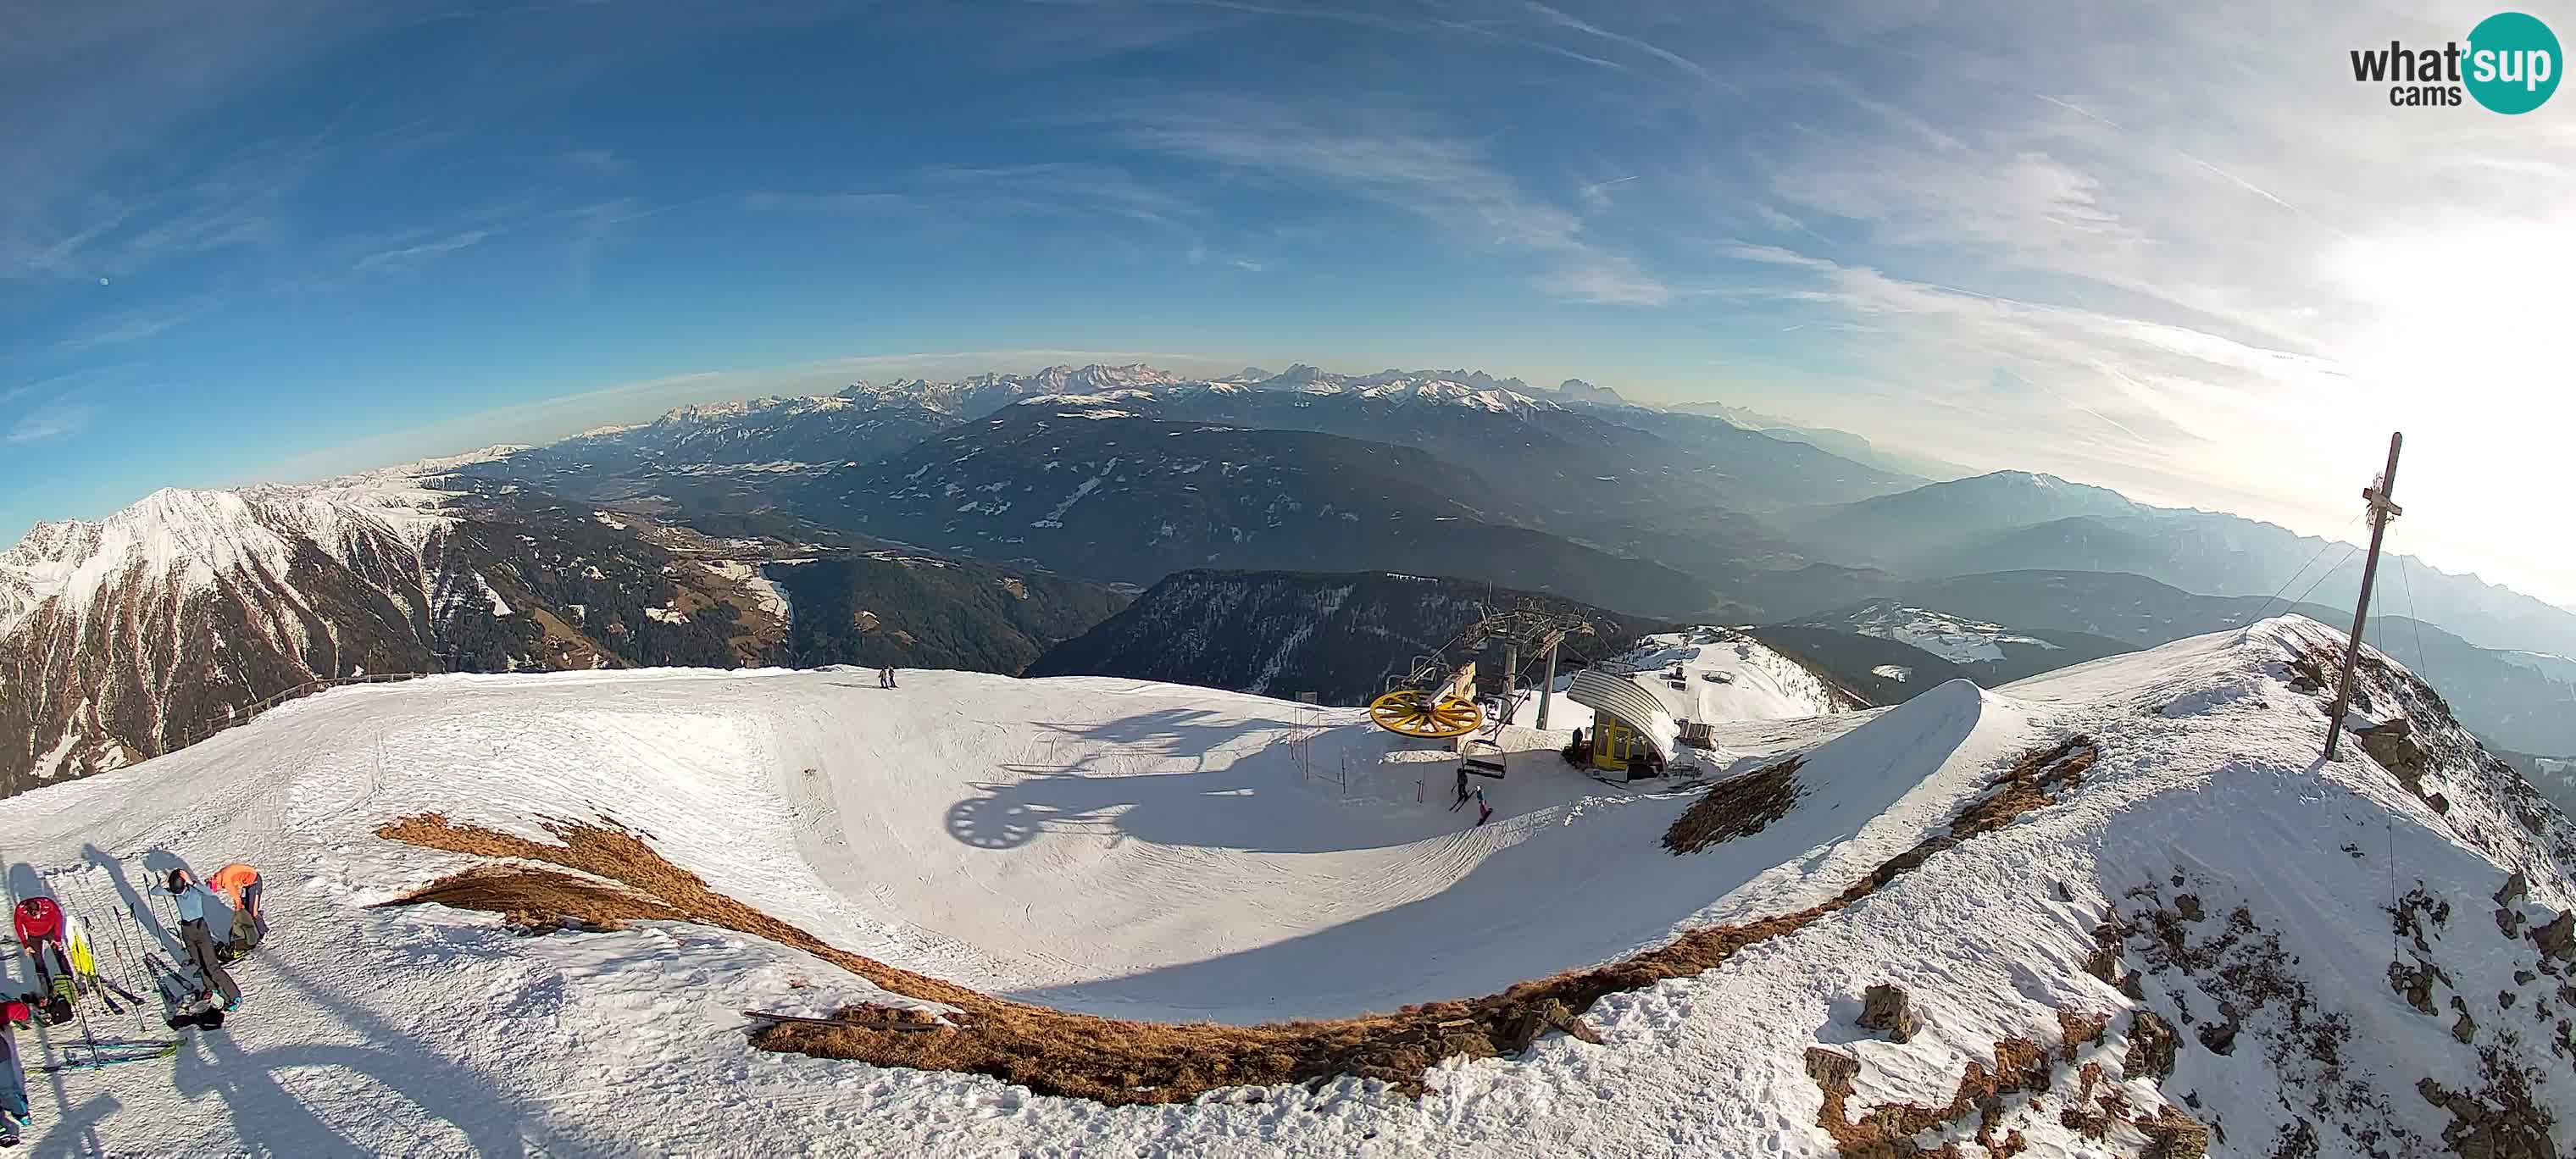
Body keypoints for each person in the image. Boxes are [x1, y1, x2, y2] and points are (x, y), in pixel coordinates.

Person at [165, 870, 241, 1012]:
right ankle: (212, 989)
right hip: (187, 930)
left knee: (212, 966)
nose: (179, 894)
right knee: (200, 964)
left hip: (200, 929)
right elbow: (155, 892)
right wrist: (166, 882)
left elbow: (210, 892)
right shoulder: (176, 892)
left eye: (180, 891)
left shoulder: (194, 892)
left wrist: (191, 881)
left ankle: (235, 996)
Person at [8, 900, 73, 1024]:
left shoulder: (48, 904)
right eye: (33, 915)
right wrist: (25, 944)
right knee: (38, 962)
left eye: (38, 913)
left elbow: (58, 918)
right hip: (33, 936)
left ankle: (69, 982)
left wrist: (58, 938)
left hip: (50, 931)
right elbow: (18, 926)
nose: (37, 917)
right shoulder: (21, 910)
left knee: (59, 955)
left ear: (39, 907)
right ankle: (47, 990)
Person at [208, 863, 264, 960]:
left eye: (217, 890)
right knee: (247, 910)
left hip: (254, 881)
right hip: (245, 884)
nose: (219, 891)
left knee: (253, 912)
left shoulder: (225, 880)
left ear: (216, 884)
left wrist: (238, 906)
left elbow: (234, 894)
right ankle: (252, 932)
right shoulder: (220, 876)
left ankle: (262, 932)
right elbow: (236, 888)